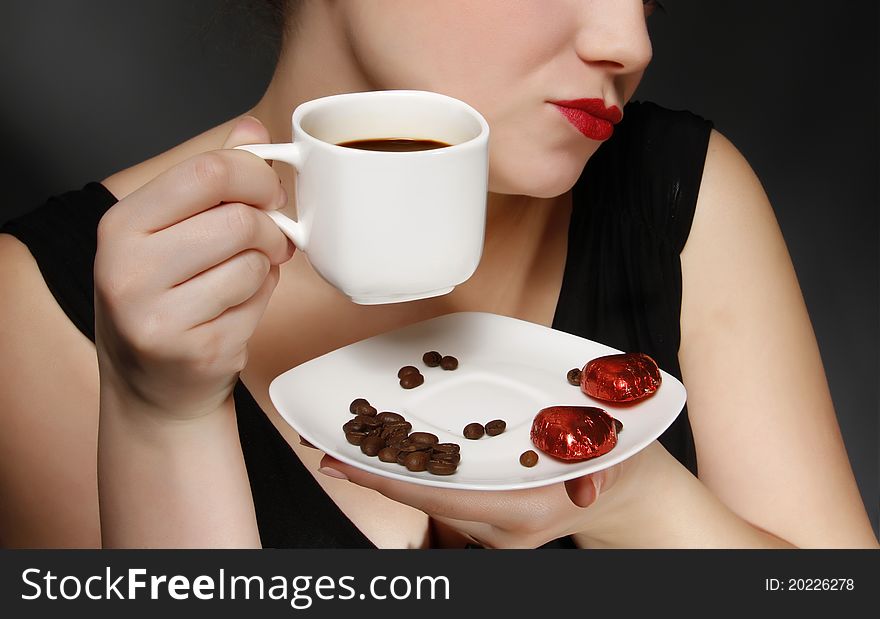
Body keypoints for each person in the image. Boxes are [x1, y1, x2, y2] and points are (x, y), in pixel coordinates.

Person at [0, 0, 876, 549]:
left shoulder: (682, 194)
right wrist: (164, 421)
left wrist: (633, 502)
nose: (627, 37)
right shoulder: (36, 307)